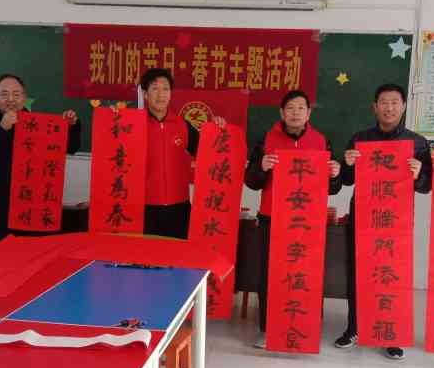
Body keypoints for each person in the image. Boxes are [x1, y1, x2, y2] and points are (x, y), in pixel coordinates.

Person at [335, 83, 432, 359]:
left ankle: (391, 334)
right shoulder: (360, 139)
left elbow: (427, 186)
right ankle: (354, 327)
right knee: (358, 273)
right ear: (374, 107)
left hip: (396, 222)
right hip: (363, 218)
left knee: (393, 276)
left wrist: (419, 174)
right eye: (384, 103)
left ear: (403, 106)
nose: (389, 108)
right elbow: (345, 181)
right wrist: (347, 165)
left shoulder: (417, 143)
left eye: (394, 102)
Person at [244, 89, 342, 349]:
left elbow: (333, 189)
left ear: (309, 113)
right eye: (290, 108)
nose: (295, 113)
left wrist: (334, 175)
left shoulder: (321, 141)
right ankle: (267, 329)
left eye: (301, 108)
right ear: (282, 113)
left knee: (306, 275)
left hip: (308, 223)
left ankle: (305, 327)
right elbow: (251, 181)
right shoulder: (266, 139)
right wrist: (261, 167)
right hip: (272, 219)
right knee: (270, 276)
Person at [0, 74, 80, 245]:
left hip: (36, 204)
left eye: (16, 94)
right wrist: (1, 129)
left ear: (24, 97)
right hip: (2, 206)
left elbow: (71, 148)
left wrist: (72, 126)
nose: (10, 99)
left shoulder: (41, 124)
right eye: (4, 94)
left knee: (36, 253)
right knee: (4, 253)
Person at [139, 67, 225, 239]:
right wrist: (114, 119)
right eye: (155, 89)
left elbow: (208, 153)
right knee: (145, 254)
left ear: (171, 94)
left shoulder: (182, 125)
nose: (161, 95)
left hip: (179, 207)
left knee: (178, 254)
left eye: (165, 89)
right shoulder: (134, 125)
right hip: (145, 207)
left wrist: (217, 131)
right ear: (145, 94)